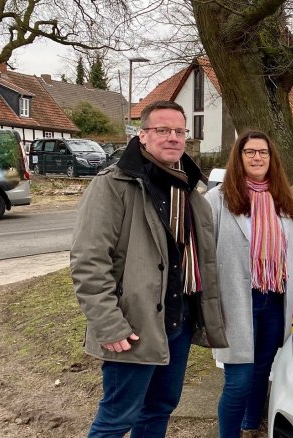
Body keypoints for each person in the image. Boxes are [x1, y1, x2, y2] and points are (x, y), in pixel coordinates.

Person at [70, 100, 228, 437]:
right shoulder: (114, 184)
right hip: (134, 326)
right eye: (162, 130)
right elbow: (88, 262)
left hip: (178, 322)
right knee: (116, 419)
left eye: (179, 131)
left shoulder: (189, 190)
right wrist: (110, 326)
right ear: (142, 135)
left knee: (158, 410)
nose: (172, 137)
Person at [206, 131, 293, 438]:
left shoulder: (283, 200)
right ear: (239, 158)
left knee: (263, 369)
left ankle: (251, 425)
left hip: (274, 300)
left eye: (263, 152)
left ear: (271, 158)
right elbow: (205, 254)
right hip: (237, 301)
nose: (257, 157)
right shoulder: (218, 200)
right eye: (249, 152)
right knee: (238, 380)